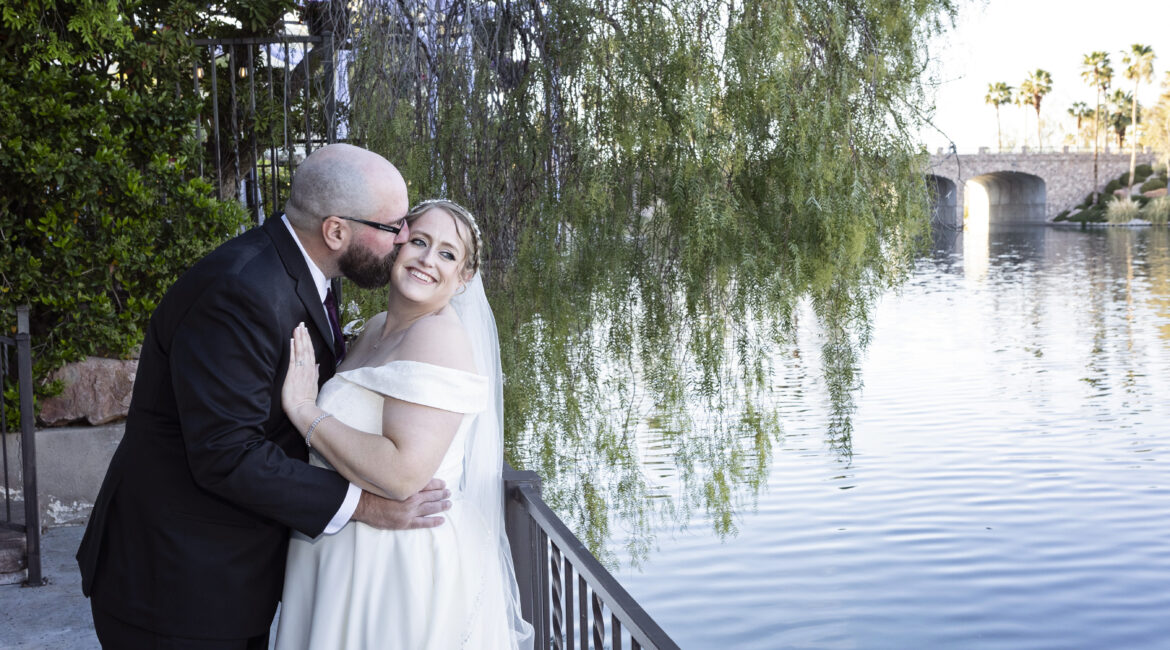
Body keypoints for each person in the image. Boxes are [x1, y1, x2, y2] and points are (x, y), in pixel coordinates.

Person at [76, 144, 453, 649]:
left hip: (228, 579)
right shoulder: (238, 293)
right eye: (393, 227)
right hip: (176, 591)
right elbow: (226, 454)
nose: (405, 239)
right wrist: (365, 506)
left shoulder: (308, 272)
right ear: (336, 231)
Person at [274, 199, 533, 649]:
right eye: (418, 241)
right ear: (398, 245)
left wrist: (303, 410)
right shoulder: (376, 328)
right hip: (340, 548)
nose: (428, 260)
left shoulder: (437, 336)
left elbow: (402, 475)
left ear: (464, 277)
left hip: (394, 561)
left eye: (448, 254)